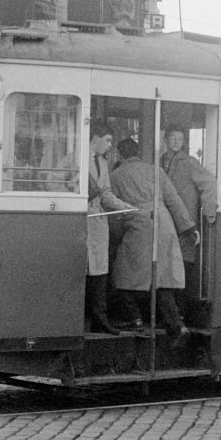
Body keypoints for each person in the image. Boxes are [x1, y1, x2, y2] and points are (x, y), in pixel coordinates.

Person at [110, 138, 199, 346]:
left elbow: (114, 213)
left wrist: (116, 236)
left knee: (123, 275)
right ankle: (176, 326)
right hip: (164, 223)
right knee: (162, 279)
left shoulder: (115, 175)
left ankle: (134, 318)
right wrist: (188, 227)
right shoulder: (157, 171)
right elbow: (174, 200)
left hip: (138, 223)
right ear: (138, 153)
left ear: (120, 154)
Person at [159, 125, 217, 322]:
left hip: (185, 221)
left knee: (183, 263)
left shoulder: (189, 162)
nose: (177, 143)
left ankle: (181, 310)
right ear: (165, 139)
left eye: (181, 139)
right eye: (173, 138)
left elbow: (209, 182)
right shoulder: (159, 161)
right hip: (167, 219)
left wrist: (209, 211)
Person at [86, 121, 133, 335]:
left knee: (99, 270)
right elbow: (53, 181)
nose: (109, 146)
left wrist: (125, 207)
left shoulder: (103, 163)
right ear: (95, 137)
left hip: (97, 222)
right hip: (81, 219)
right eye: (107, 140)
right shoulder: (76, 158)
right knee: (84, 269)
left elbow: (105, 193)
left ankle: (100, 319)